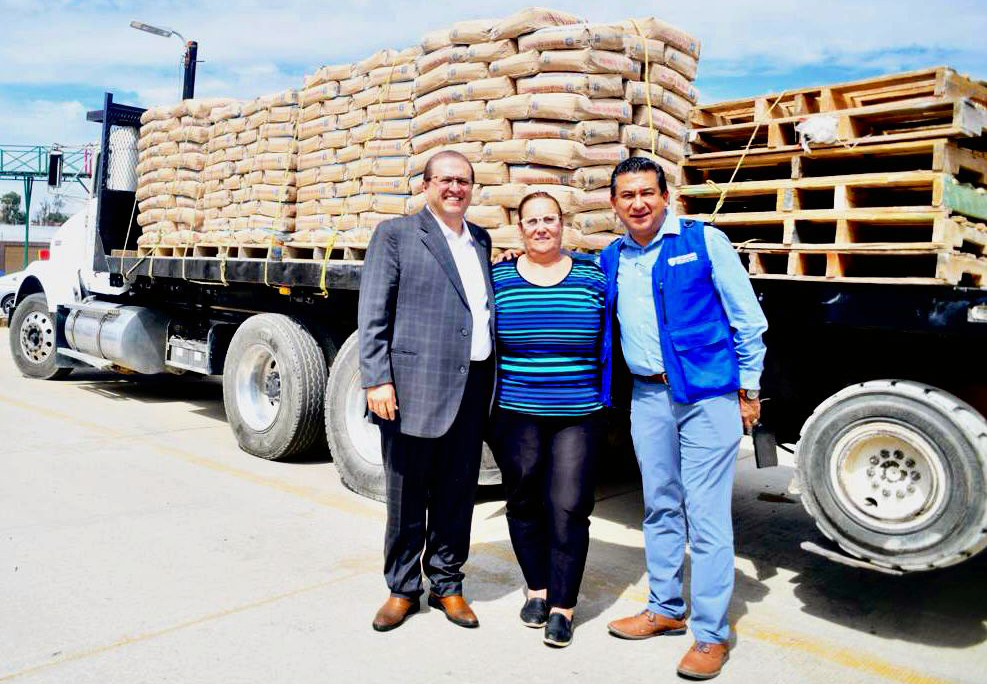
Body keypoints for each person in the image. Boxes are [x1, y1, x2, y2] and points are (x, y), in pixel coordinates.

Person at [600, 157, 767, 679]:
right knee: (660, 505)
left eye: (647, 193)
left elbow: (749, 320)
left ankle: (712, 634)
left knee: (707, 513)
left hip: (706, 397)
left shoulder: (703, 240)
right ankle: (666, 609)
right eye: (627, 196)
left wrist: (750, 388)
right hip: (648, 399)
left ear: (666, 195)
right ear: (614, 204)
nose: (639, 204)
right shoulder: (611, 257)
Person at [358, 150, 495, 632]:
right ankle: (401, 588)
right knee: (407, 495)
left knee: (459, 493)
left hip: (472, 383)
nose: (455, 188)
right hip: (412, 386)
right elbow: (374, 313)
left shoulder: (481, 239)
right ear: (426, 185)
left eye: (464, 181)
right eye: (446, 180)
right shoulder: (395, 235)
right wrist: (377, 379)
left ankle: (447, 584)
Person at [489, 192, 606, 648]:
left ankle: (563, 605)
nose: (541, 228)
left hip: (578, 412)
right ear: (520, 229)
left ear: (564, 225)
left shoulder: (593, 276)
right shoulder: (498, 276)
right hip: (516, 412)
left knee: (569, 506)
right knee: (523, 501)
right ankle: (536, 590)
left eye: (550, 220)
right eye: (532, 221)